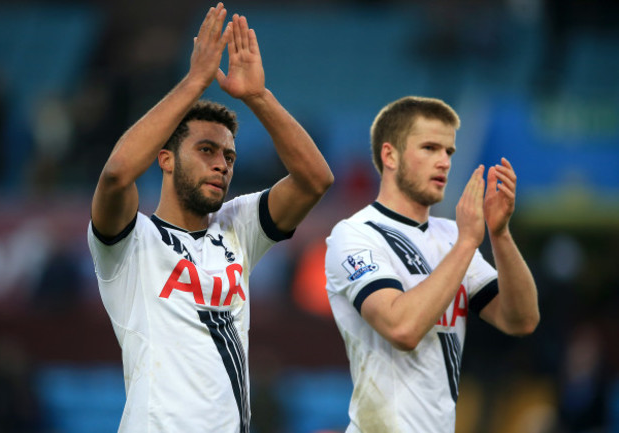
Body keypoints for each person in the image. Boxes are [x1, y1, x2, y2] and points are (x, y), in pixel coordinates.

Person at [87, 4, 333, 432]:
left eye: (229, 156)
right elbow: (115, 174)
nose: (222, 164)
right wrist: (195, 81)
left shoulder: (238, 228)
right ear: (165, 159)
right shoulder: (130, 242)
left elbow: (315, 179)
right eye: (206, 150)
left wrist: (257, 96)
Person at [324, 96, 539, 432]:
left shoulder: (452, 236)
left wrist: (500, 235)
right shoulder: (354, 235)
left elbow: (521, 319)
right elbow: (402, 328)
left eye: (449, 152)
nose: (444, 162)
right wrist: (469, 242)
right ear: (389, 154)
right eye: (429, 148)